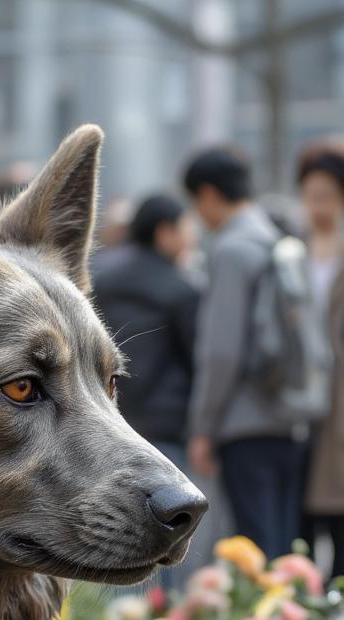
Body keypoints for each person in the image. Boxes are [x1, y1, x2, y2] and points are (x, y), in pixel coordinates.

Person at [182, 145, 310, 559]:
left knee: (255, 551)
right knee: (284, 545)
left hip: (244, 421)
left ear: (207, 195)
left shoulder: (232, 249)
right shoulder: (278, 242)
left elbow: (221, 352)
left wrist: (203, 427)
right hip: (289, 415)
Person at [92, 194, 201, 583]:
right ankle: (163, 614)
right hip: (166, 425)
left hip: (108, 424)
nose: (191, 238)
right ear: (165, 231)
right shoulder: (180, 287)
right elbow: (197, 360)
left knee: (114, 529)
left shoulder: (102, 276)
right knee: (166, 527)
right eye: (187, 227)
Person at [296, 141, 344, 585]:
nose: (317, 205)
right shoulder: (292, 252)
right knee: (300, 520)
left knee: (343, 515)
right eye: (311, 195)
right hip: (301, 397)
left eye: (327, 195)